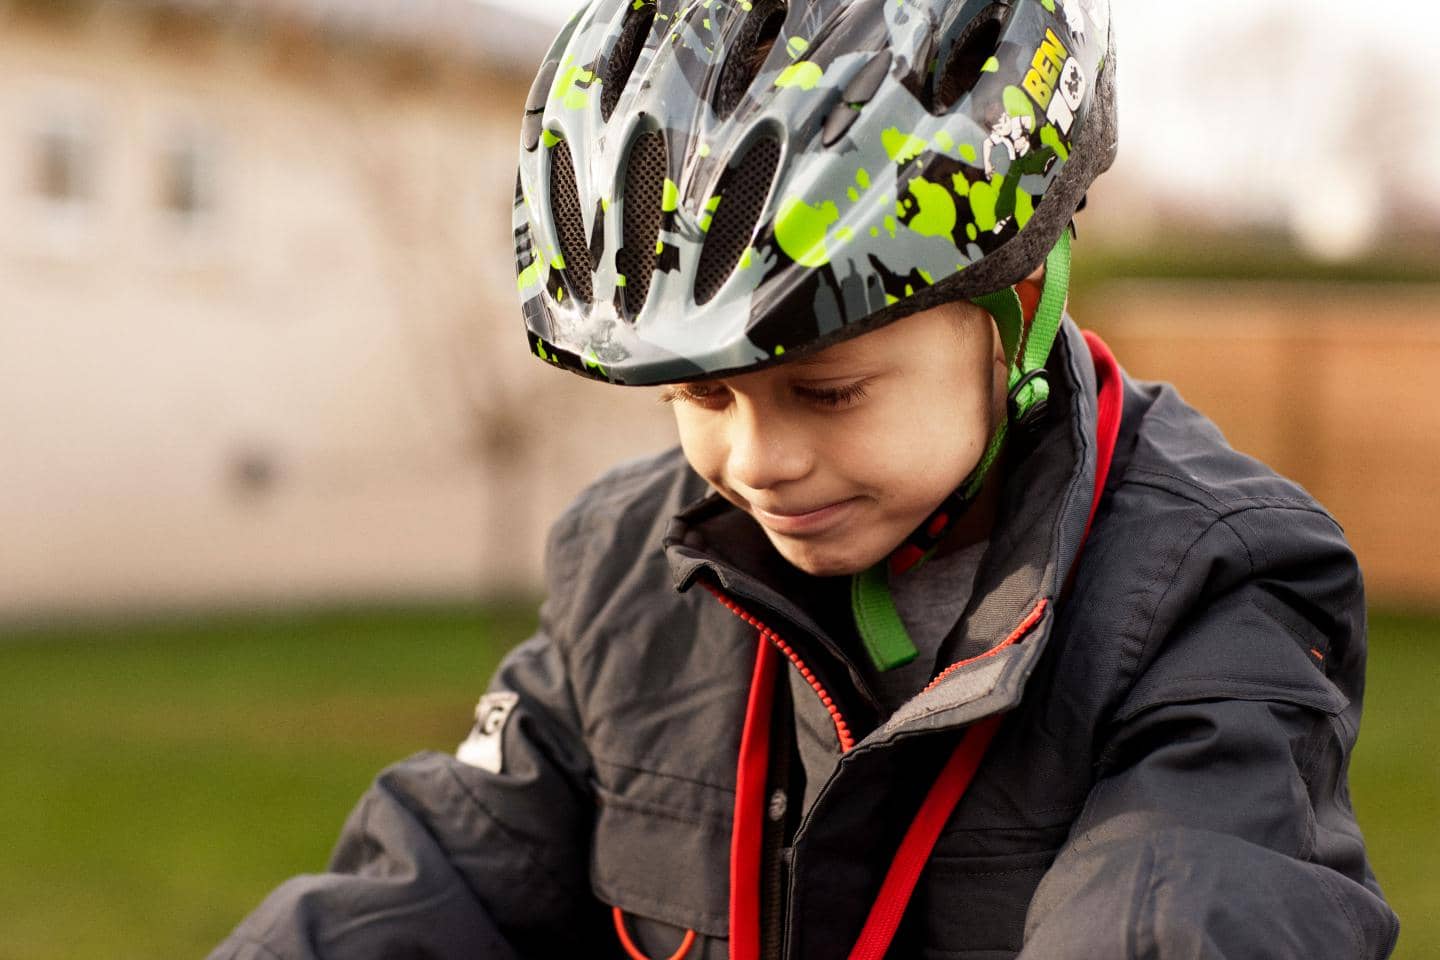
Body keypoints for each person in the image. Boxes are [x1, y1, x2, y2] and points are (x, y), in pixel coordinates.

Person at [211, 0, 1400, 957]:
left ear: (1018, 307)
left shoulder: (1216, 591)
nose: (755, 462)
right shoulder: (630, 565)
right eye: (700, 397)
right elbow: (441, 881)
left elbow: (1182, 911)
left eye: (829, 392)